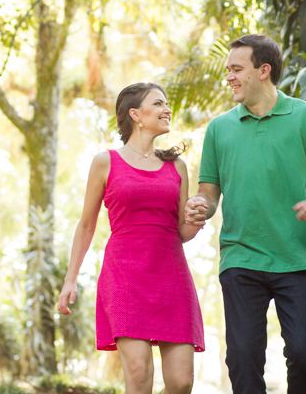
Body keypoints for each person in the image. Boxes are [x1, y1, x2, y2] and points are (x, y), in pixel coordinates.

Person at [184, 34, 306, 394]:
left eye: (236, 69)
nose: (228, 77)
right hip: (241, 256)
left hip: (299, 257)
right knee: (243, 357)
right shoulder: (219, 129)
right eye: (227, 69)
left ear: (263, 70)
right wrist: (201, 206)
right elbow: (208, 193)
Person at [57, 83, 205, 394]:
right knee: (139, 376)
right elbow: (86, 225)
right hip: (125, 277)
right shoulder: (105, 162)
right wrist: (70, 279)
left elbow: (182, 232)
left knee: (181, 383)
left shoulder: (176, 166)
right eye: (159, 103)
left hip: (171, 277)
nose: (168, 110)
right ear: (136, 114)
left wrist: (197, 219)